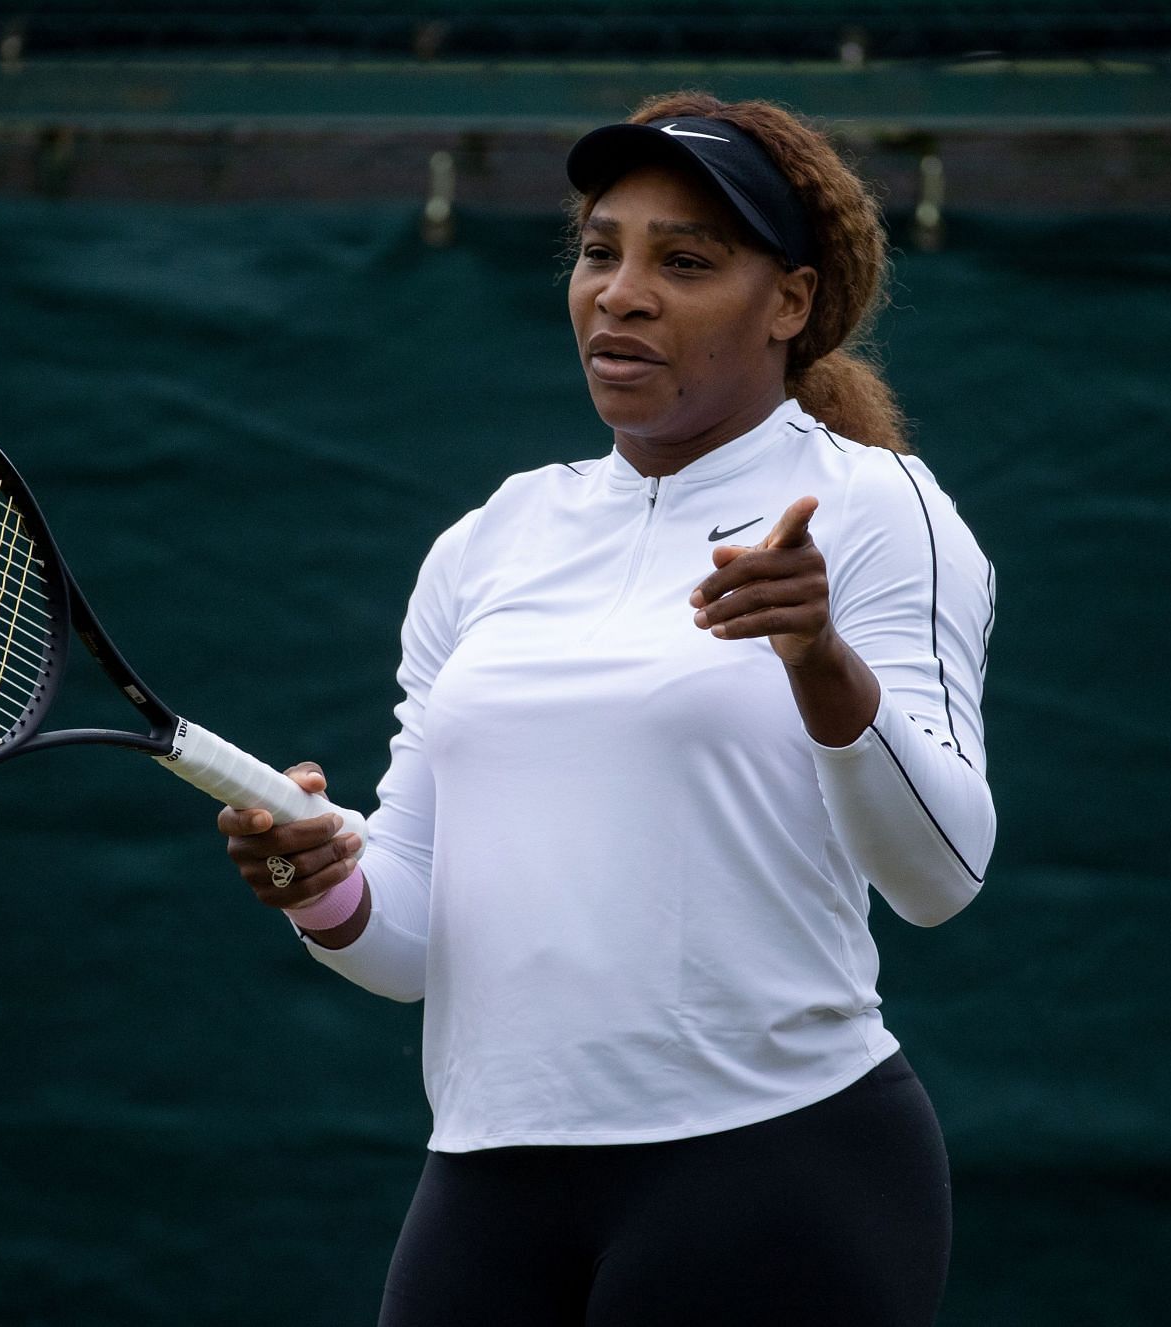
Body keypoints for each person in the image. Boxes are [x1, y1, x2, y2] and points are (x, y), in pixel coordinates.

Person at [218, 92, 997, 1326]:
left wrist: (820, 656)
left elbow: (943, 871)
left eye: (684, 261)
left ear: (788, 304)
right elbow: (416, 935)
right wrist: (323, 882)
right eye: (599, 250)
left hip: (779, 1170)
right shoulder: (490, 540)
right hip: (486, 1181)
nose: (620, 293)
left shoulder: (876, 508)